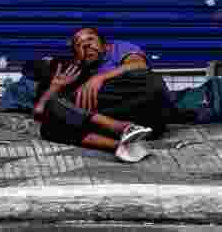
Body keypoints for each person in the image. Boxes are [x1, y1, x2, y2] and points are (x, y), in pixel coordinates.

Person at [31, 27, 175, 159]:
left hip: (148, 107)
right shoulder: (76, 73)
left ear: (105, 45)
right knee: (49, 127)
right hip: (137, 128)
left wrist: (100, 78)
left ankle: (123, 128)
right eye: (78, 44)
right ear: (77, 57)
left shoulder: (118, 48)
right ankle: (122, 147)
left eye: (90, 39)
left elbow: (139, 65)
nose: (86, 45)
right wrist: (55, 86)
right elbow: (40, 112)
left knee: (148, 78)